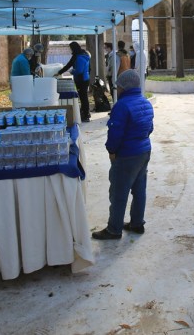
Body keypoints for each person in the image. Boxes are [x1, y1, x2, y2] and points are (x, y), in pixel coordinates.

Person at [92, 70, 154, 240]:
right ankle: (137, 223)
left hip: (126, 154)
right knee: (139, 189)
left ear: (124, 87)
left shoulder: (122, 105)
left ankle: (114, 229)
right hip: (144, 151)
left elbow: (115, 133)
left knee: (119, 192)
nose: (116, 89)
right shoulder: (145, 102)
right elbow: (150, 129)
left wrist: (111, 150)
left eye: (118, 86)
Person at [56, 41, 92, 123]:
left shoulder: (77, 56)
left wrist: (68, 72)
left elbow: (74, 68)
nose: (70, 50)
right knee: (84, 97)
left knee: (83, 97)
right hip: (86, 79)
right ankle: (86, 113)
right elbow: (89, 68)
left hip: (80, 79)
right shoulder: (85, 54)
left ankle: (85, 115)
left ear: (73, 48)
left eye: (70, 48)